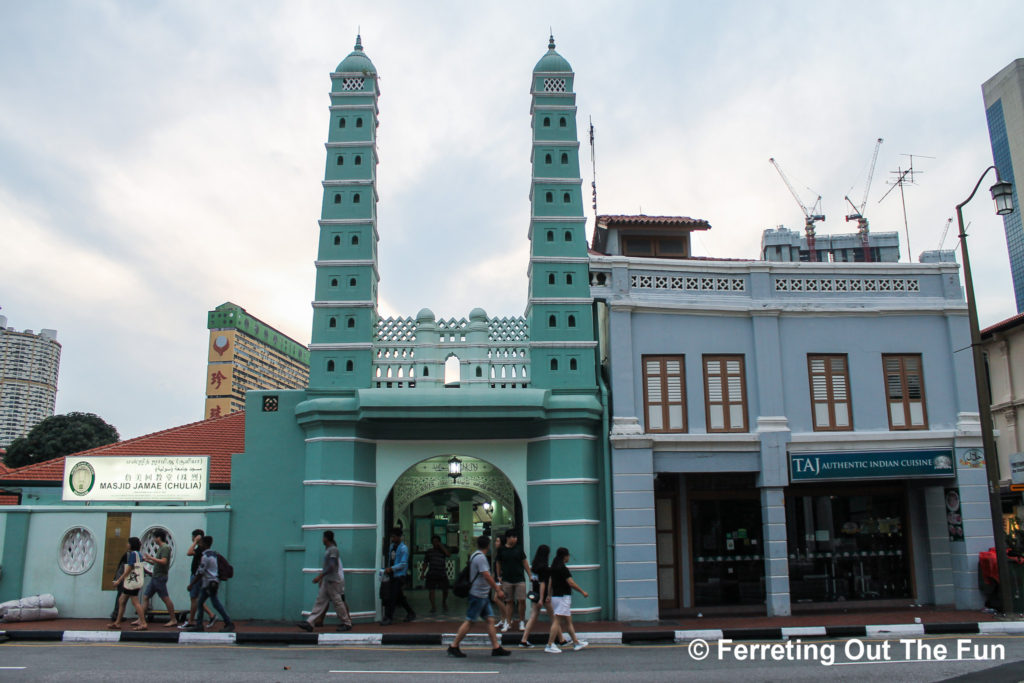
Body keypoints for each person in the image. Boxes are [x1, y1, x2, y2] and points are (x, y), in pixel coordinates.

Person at [446, 535, 511, 658]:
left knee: (490, 620)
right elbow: (486, 575)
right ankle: (454, 646)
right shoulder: (481, 558)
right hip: (478, 595)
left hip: (482, 595)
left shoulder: (475, 555)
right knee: (470, 621)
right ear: (487, 546)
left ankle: (496, 647)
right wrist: (497, 589)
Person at [298, 530, 352, 632]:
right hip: (328, 581)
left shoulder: (333, 550)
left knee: (338, 602)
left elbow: (332, 566)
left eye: (323, 537)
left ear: (326, 538)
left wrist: (320, 576)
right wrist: (323, 578)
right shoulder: (329, 549)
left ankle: (347, 623)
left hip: (333, 581)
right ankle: (310, 622)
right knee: (320, 601)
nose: (322, 539)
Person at [545, 546, 588, 653]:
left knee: (568, 621)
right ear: (565, 556)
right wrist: (582, 591)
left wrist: (549, 595)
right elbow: (571, 583)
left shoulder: (553, 567)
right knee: (557, 621)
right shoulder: (563, 569)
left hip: (556, 597)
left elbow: (550, 582)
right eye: (568, 556)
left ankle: (576, 642)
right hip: (563, 597)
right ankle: (549, 644)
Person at [519, 544, 563, 648]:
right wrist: (543, 597)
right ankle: (561, 639)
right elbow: (543, 583)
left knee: (533, 616)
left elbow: (534, 580)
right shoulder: (544, 568)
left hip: (535, 594)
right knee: (554, 617)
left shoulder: (535, 566)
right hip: (543, 596)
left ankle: (524, 639)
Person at [188, 536, 235, 632]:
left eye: (200, 543)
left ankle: (228, 622)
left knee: (215, 603)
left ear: (205, 544)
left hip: (210, 583)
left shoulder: (205, 557)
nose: (199, 545)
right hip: (211, 583)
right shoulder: (214, 554)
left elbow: (200, 572)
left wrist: (192, 584)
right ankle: (199, 625)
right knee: (201, 603)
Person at [139, 529, 177, 627]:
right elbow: (158, 562)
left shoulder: (165, 548)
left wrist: (151, 558)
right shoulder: (161, 548)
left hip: (160, 577)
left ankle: (173, 619)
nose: (154, 540)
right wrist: (148, 560)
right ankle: (141, 619)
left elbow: (164, 561)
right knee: (146, 596)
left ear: (158, 538)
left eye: (155, 538)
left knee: (165, 598)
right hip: (156, 576)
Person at [107, 537, 146, 630]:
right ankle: (117, 622)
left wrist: (119, 580)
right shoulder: (139, 554)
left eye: (128, 543)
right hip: (132, 581)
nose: (127, 545)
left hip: (131, 582)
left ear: (132, 544)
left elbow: (129, 569)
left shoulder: (133, 554)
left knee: (135, 602)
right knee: (122, 600)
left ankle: (143, 623)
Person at [494, 529, 531, 631]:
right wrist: (499, 575)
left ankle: (521, 621)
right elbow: (498, 563)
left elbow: (524, 562)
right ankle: (508, 622)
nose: (515, 539)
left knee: (521, 600)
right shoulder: (502, 550)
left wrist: (529, 575)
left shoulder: (519, 549)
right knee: (508, 601)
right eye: (513, 537)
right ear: (507, 538)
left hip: (519, 578)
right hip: (506, 579)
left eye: (516, 537)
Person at [180, 528, 216, 630]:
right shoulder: (201, 548)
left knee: (194, 598)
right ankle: (210, 616)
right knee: (197, 599)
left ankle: (192, 620)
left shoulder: (200, 548)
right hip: (197, 575)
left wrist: (195, 542)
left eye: (193, 537)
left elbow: (189, 552)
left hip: (196, 576)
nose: (192, 538)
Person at [381, 527, 415, 625]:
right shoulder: (392, 547)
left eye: (394, 536)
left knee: (392, 597)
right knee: (399, 596)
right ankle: (411, 612)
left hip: (399, 576)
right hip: (392, 575)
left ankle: (389, 617)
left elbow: (403, 563)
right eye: (392, 536)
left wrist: (392, 568)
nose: (392, 538)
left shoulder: (403, 548)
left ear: (399, 537)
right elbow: (390, 559)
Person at [421, 535, 451, 613]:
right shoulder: (429, 552)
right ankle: (433, 606)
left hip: (442, 572)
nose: (435, 543)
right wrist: (422, 573)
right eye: (434, 542)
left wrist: (441, 547)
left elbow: (448, 554)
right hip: (432, 572)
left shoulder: (443, 551)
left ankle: (444, 602)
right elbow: (425, 563)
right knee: (431, 590)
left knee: (445, 589)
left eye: (437, 542)